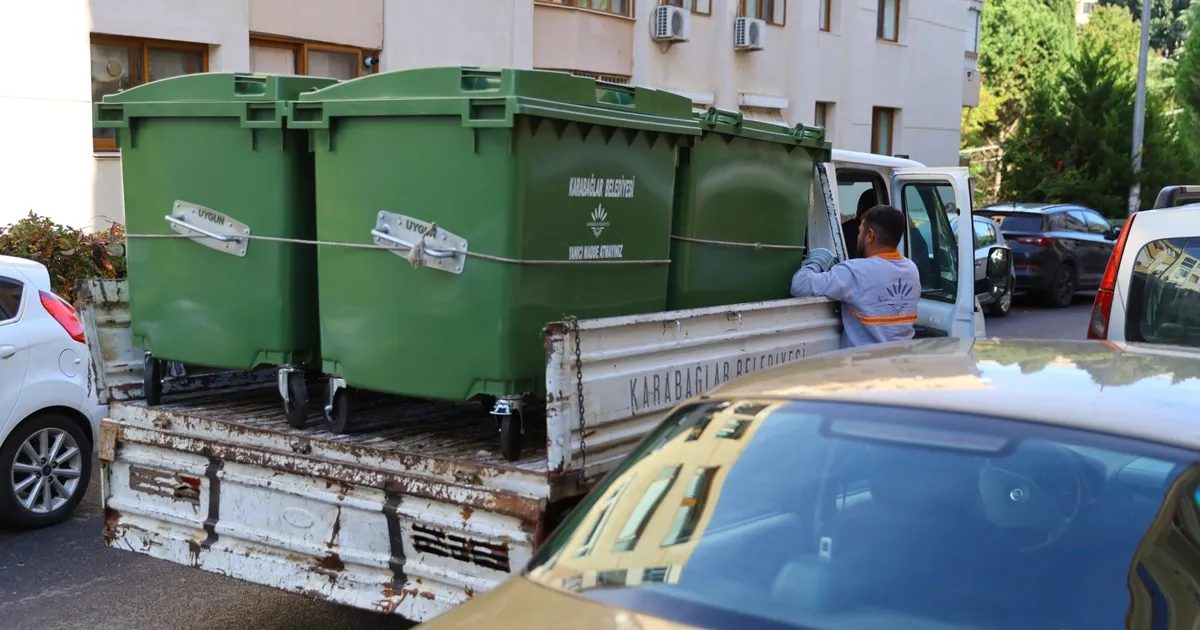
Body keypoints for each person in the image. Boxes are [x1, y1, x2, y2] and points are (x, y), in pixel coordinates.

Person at [791, 205, 920, 348]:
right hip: (901, 362)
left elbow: (800, 284)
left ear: (870, 235)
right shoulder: (911, 270)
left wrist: (817, 260)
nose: (857, 237)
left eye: (860, 232)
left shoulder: (855, 271)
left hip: (861, 366)